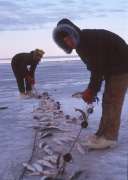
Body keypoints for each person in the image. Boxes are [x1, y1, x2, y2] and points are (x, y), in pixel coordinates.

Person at [53, 18, 128, 149]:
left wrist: (91, 91)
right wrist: (92, 90)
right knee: (107, 101)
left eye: (69, 38)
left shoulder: (89, 40)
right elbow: (96, 67)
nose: (69, 42)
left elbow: (97, 70)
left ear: (73, 33)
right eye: (65, 42)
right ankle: (101, 134)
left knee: (113, 100)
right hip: (112, 68)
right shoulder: (81, 45)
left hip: (123, 67)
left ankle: (109, 137)